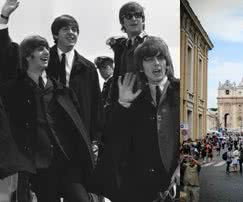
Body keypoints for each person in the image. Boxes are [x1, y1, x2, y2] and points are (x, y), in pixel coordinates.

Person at [0, 1, 95, 201]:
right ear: (27, 56)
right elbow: (5, 56)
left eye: (46, 47)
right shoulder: (15, 89)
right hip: (38, 167)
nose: (46, 52)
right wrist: (3, 19)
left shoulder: (62, 91)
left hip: (68, 162)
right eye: (39, 49)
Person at [91, 37, 179, 201]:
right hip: (140, 187)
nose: (156, 64)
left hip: (173, 184)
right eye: (149, 59)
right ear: (140, 66)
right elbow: (112, 139)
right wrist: (122, 105)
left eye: (160, 58)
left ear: (167, 62)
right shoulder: (132, 93)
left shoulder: (178, 90)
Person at [46, 12, 104, 149]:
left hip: (79, 133)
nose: (71, 33)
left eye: (75, 30)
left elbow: (96, 104)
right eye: (65, 29)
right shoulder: (43, 61)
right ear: (55, 35)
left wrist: (95, 139)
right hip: (50, 134)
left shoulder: (88, 68)